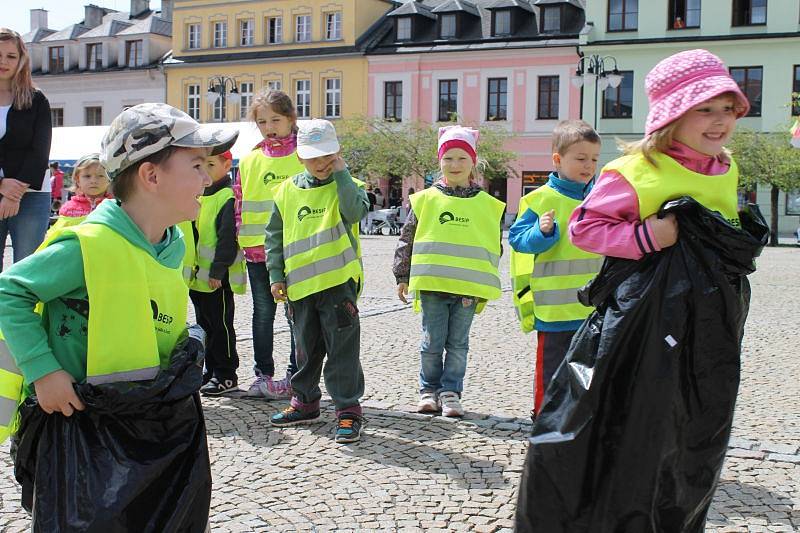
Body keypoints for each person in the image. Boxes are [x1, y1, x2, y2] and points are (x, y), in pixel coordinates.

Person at [0, 102, 238, 529]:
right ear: (151, 176)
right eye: (198, 165)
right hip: (82, 436)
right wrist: (44, 371)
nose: (209, 178)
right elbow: (9, 291)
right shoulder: (87, 247)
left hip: (145, 430)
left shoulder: (172, 245)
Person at [569, 49, 750, 258]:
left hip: (721, 288)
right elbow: (582, 230)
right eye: (705, 109)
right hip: (654, 289)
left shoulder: (726, 166)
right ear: (671, 118)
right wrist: (645, 237)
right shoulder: (634, 172)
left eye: (728, 108)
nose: (721, 120)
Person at [267, 119, 368, 444]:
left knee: (343, 350)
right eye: (313, 157)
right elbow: (274, 236)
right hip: (299, 288)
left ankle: (348, 411)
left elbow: (354, 213)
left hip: (338, 285)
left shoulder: (349, 185)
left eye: (327, 155)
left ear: (337, 152)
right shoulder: (285, 191)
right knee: (304, 350)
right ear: (300, 157)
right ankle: (305, 401)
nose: (321, 163)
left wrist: (341, 173)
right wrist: (275, 274)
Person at [393, 126, 505, 417]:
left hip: (467, 288)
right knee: (432, 342)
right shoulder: (425, 199)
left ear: (473, 162)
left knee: (458, 345)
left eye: (461, 159)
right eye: (449, 158)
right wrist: (401, 275)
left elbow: (493, 244)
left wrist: (486, 279)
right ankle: (428, 390)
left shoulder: (486, 204)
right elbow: (408, 237)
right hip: (433, 285)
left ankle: (451, 392)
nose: (455, 165)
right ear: (440, 161)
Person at [508, 120, 602, 420]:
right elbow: (518, 240)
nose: (589, 166)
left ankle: (580, 417)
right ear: (558, 160)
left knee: (590, 368)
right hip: (555, 310)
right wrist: (541, 232)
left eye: (594, 159)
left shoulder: (600, 198)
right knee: (551, 369)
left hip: (593, 309)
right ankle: (545, 416)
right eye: (581, 158)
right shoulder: (538, 200)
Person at [234, 89, 304, 399]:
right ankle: (263, 374)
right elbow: (240, 201)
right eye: (262, 121)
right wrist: (240, 238)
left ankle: (295, 373)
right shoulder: (250, 159)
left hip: (294, 250)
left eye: (276, 119)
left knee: (295, 313)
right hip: (256, 250)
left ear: (291, 119)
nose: (269, 127)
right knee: (262, 313)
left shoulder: (304, 155)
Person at [188, 150, 247, 396]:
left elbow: (227, 239)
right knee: (205, 326)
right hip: (198, 278)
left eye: (211, 164)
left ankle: (226, 374)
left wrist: (218, 271)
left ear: (226, 165)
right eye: (201, 165)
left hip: (216, 279)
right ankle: (210, 371)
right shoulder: (200, 195)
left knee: (221, 327)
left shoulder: (226, 197)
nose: (206, 170)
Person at [0, 28, 53, 270]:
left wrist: (14, 192)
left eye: (11, 56)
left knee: (27, 271)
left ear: (21, 59)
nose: (4, 62)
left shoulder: (36, 99)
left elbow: (40, 151)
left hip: (31, 195)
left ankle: (20, 311)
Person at [48, 153, 112, 233]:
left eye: (100, 176)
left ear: (109, 179)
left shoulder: (116, 207)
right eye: (87, 176)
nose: (93, 181)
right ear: (78, 180)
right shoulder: (68, 209)